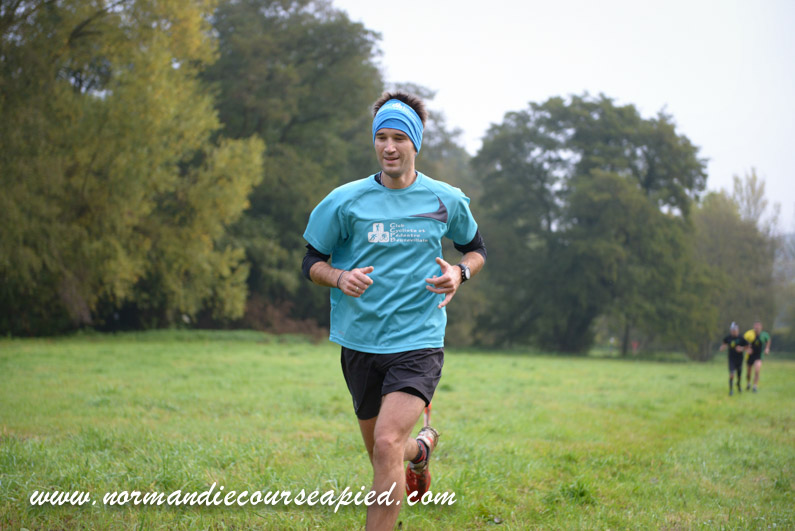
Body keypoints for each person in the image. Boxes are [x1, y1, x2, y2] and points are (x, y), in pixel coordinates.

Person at [301, 91, 486, 530]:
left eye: (399, 138)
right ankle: (420, 451)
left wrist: (459, 273)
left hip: (418, 340)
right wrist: (339, 277)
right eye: (381, 137)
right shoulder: (344, 201)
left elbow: (476, 249)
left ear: (415, 143)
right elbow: (311, 261)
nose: (389, 147)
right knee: (384, 452)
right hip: (360, 341)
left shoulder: (445, 199)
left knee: (386, 443)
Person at [719, 322, 747, 396]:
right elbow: (724, 344)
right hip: (731, 359)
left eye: (735, 330)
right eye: (732, 330)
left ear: (737, 330)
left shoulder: (741, 338)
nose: (733, 332)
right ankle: (731, 390)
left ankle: (738, 384)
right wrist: (722, 347)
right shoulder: (728, 338)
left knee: (739, 375)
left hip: (739, 359)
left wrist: (741, 348)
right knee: (732, 374)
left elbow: (748, 346)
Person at [743, 320, 771, 393]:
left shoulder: (764, 335)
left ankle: (755, 386)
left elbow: (768, 340)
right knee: (748, 373)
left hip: (758, 355)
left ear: (761, 327)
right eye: (755, 326)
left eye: (758, 326)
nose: (757, 328)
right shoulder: (749, 334)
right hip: (750, 356)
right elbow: (743, 342)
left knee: (757, 370)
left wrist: (767, 348)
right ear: (753, 326)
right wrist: (747, 349)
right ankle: (748, 383)